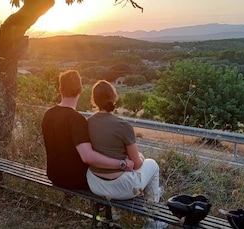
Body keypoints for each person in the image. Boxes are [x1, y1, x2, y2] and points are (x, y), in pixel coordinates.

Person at [86, 80, 166, 228]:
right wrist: (141, 156)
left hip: (95, 183)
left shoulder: (88, 122)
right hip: (122, 188)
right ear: (114, 98)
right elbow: (136, 164)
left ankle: (152, 205)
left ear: (94, 100)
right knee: (152, 165)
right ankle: (154, 220)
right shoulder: (124, 125)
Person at [41, 70, 134, 190]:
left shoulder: (48, 114)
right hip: (76, 179)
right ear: (80, 90)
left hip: (53, 175)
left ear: (60, 89)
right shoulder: (77, 119)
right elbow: (87, 157)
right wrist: (122, 164)